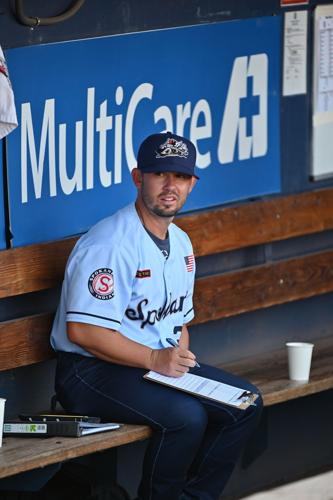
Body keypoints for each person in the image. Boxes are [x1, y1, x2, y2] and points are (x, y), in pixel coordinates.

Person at [51, 131, 263, 500]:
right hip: (89, 371)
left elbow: (178, 321)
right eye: (159, 174)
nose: (170, 186)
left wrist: (175, 355)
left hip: (152, 367)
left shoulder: (180, 241)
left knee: (245, 402)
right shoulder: (110, 243)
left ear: (192, 183)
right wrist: (155, 358)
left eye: (180, 177)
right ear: (138, 178)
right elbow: (83, 331)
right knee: (186, 417)